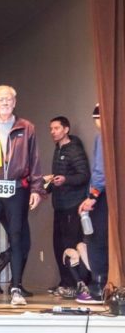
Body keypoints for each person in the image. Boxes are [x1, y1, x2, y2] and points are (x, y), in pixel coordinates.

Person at [0, 85, 43, 306]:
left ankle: (16, 288)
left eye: (9, 99)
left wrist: (36, 189)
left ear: (14, 102)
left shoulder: (27, 127)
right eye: (0, 99)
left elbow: (35, 160)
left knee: (17, 237)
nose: (4, 103)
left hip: (17, 187)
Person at [44, 116, 90, 298]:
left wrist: (65, 180)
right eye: (51, 129)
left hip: (72, 205)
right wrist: (50, 182)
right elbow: (60, 176)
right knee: (58, 245)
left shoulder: (74, 150)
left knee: (71, 246)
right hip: (59, 205)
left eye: (56, 128)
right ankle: (65, 283)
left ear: (66, 129)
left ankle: (75, 283)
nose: (53, 132)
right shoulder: (58, 149)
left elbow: (83, 176)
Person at [76, 105, 107, 304]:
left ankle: (99, 286)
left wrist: (92, 196)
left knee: (96, 240)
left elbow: (100, 171)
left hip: (103, 196)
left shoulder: (103, 137)